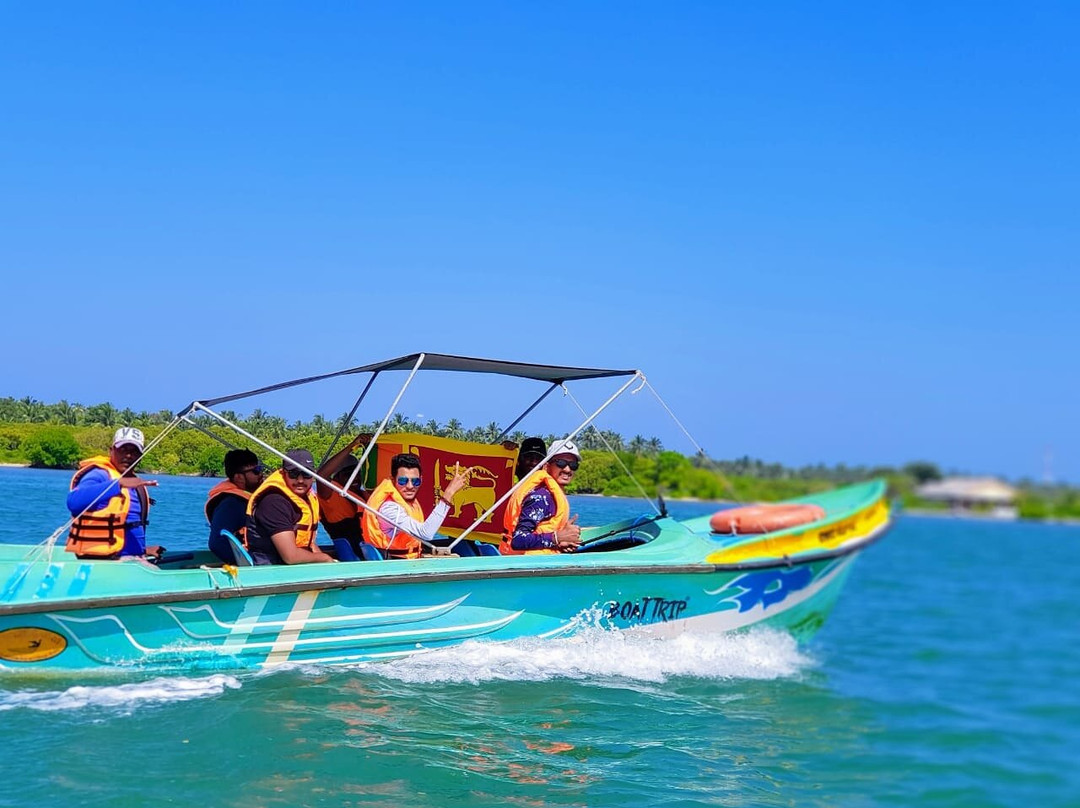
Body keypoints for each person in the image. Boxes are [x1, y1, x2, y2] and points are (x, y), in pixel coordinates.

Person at [66, 426, 162, 560]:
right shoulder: (100, 475)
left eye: (134, 452)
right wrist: (118, 484)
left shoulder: (134, 481)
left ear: (140, 456)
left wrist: (143, 550)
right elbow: (74, 502)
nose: (128, 456)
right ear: (111, 451)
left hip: (132, 557)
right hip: (104, 560)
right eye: (123, 450)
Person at [361, 452, 470, 559]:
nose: (410, 486)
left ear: (421, 480)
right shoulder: (390, 509)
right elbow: (426, 533)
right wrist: (449, 493)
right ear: (393, 480)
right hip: (395, 563)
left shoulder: (406, 501)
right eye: (403, 481)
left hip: (409, 559)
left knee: (461, 547)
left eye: (415, 481)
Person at [245, 449, 336, 566]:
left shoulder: (306, 497)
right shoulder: (274, 502)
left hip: (293, 567)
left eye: (306, 473)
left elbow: (309, 544)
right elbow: (290, 557)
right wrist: (325, 558)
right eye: (293, 474)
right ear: (284, 473)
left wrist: (330, 564)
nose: (300, 480)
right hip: (272, 568)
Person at [499, 438, 582, 555]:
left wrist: (560, 541)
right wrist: (556, 538)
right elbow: (518, 540)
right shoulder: (541, 497)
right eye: (561, 463)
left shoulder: (550, 494)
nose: (567, 469)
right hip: (524, 563)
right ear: (547, 466)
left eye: (573, 465)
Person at [316, 433, 372, 561]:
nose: (355, 478)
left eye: (358, 473)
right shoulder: (330, 495)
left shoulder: (364, 495)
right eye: (349, 474)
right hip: (354, 556)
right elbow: (321, 476)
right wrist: (353, 445)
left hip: (369, 550)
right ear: (336, 477)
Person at [205, 449, 265, 563]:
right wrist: (247, 564)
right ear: (239, 477)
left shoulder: (244, 500)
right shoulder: (232, 504)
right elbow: (216, 543)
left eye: (260, 468)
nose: (261, 474)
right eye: (256, 471)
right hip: (253, 564)